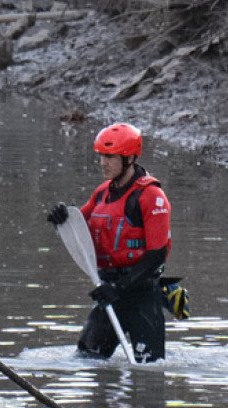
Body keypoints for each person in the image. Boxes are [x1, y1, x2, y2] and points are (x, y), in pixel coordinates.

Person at [47, 122, 173, 362]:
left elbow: (157, 254)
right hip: (109, 293)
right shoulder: (102, 193)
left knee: (149, 371)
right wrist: (60, 218)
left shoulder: (152, 197)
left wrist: (119, 288)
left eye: (111, 157)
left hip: (141, 295)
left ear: (130, 158)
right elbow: (78, 226)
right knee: (87, 359)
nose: (103, 163)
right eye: (102, 156)